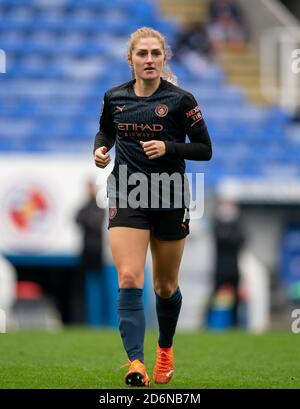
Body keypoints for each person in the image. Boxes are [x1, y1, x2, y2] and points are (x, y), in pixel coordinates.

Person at [93, 27, 212, 387]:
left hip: (170, 196)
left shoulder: (181, 100)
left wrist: (169, 148)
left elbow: (205, 149)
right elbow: (105, 132)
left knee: (164, 286)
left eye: (155, 54)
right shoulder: (114, 97)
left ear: (164, 58)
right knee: (129, 278)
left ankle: (164, 349)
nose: (148, 59)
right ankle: (136, 364)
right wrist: (100, 150)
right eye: (141, 54)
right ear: (130, 59)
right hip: (127, 194)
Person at [75, 180, 105, 324]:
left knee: (100, 287)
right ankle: (88, 320)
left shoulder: (100, 207)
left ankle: (99, 321)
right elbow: (78, 219)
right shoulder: (86, 207)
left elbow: (99, 223)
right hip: (88, 250)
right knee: (87, 287)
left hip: (99, 252)